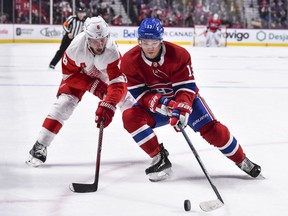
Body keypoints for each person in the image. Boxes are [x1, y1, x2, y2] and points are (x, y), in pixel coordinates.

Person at [120, 18, 261, 182]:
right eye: (145, 42)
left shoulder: (179, 55)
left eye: (154, 42)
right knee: (130, 117)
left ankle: (241, 159)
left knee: (213, 131)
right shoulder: (129, 61)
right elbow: (140, 93)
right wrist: (160, 104)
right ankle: (159, 157)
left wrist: (181, 109)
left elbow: (186, 89)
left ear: (161, 40)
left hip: (186, 102)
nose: (150, 47)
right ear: (139, 40)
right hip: (159, 106)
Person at [26, 16, 129, 167]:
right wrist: (93, 85)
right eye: (95, 40)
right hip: (79, 74)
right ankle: (40, 145)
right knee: (63, 105)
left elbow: (118, 82)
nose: (100, 44)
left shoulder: (112, 50)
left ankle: (144, 134)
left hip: (103, 73)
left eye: (103, 39)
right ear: (87, 37)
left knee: (126, 98)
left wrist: (109, 104)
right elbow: (69, 75)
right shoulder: (74, 48)